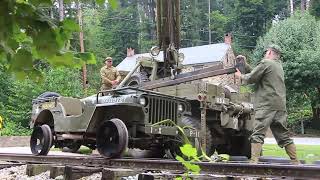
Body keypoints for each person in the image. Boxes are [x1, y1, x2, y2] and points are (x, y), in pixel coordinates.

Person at [235, 45, 300, 164]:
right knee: (283, 135)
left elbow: (251, 78)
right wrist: (246, 64)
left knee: (258, 133)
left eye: (266, 52)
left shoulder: (266, 63)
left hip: (266, 105)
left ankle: (253, 162)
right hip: (279, 106)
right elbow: (259, 73)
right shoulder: (278, 66)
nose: (265, 54)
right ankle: (296, 162)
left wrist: (240, 76)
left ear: (269, 52)